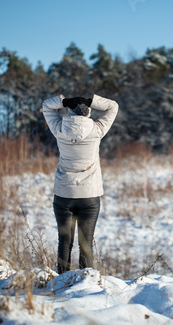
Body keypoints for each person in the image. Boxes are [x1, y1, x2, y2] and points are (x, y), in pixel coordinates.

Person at [42, 93, 118, 274]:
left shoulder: (59, 128)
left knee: (64, 242)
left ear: (69, 111)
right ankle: (86, 284)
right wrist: (93, 101)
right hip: (89, 196)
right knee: (86, 243)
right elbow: (113, 106)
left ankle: (61, 282)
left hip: (63, 194)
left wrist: (62, 101)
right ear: (88, 112)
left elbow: (46, 105)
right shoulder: (97, 130)